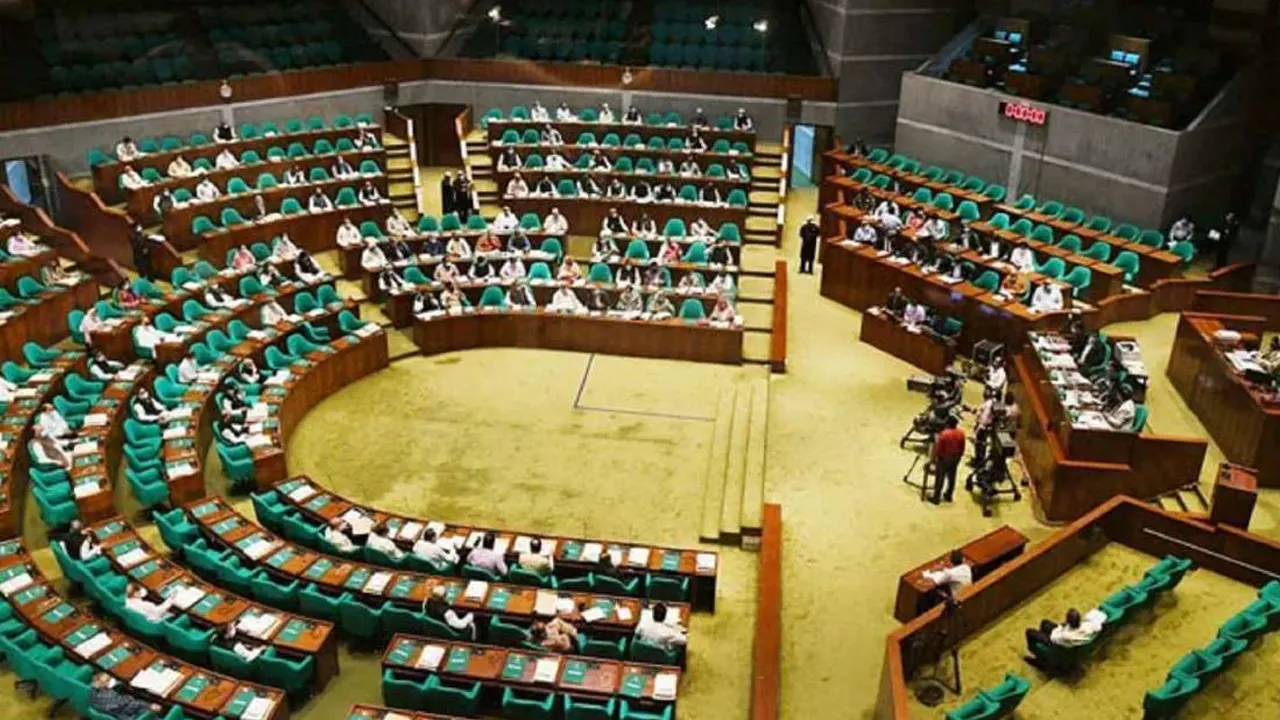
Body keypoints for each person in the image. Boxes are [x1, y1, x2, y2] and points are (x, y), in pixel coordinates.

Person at [1024, 608, 1105, 667]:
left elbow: (1054, 637)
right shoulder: (1088, 627)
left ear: (1068, 621)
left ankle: (1038, 655)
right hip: (1073, 644)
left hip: (1058, 644)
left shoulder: (1065, 635)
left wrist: (1060, 627)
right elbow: (1098, 623)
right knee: (1045, 623)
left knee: (1030, 632)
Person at [90, 672, 162, 719]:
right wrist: (149, 705)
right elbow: (125, 707)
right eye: (107, 680)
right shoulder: (105, 696)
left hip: (120, 712)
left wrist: (126, 697)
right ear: (100, 683)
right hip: (127, 716)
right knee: (149, 710)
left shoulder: (95, 691)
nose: (110, 681)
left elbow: (117, 700)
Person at [930, 416, 966, 504]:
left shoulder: (944, 434)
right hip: (955, 458)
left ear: (947, 424)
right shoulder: (961, 433)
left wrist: (934, 459)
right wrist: (959, 457)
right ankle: (949, 495)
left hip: (944, 458)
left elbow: (939, 449)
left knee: (940, 478)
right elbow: (962, 447)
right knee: (952, 477)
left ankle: (936, 498)